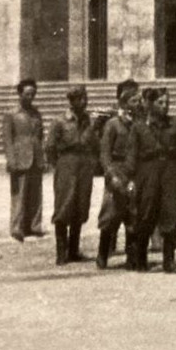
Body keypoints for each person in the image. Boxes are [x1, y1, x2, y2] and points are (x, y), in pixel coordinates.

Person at [125, 86, 176, 272]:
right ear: (151, 104)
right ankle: (141, 259)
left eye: (167, 103)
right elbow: (131, 154)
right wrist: (130, 179)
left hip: (169, 172)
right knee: (146, 212)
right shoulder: (139, 127)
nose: (165, 106)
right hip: (147, 172)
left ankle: (169, 259)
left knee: (171, 213)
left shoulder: (175, 126)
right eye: (161, 103)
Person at [46, 86, 98, 266]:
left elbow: (94, 143)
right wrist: (59, 165)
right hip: (66, 164)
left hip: (84, 164)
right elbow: (50, 146)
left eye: (85, 98)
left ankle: (74, 250)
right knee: (64, 205)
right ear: (72, 100)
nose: (84, 102)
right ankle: (61, 252)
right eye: (80, 98)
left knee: (81, 205)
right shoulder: (60, 121)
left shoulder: (88, 121)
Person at [96, 80, 140, 270]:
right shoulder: (113, 124)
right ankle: (103, 254)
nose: (137, 105)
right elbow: (105, 153)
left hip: (134, 172)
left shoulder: (139, 123)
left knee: (133, 215)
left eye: (138, 101)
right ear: (124, 103)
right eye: (133, 101)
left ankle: (132, 257)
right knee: (110, 215)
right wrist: (110, 174)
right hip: (117, 171)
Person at [2, 78, 45, 242]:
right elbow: (7, 139)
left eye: (33, 94)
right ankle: (17, 227)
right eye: (27, 94)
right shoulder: (11, 114)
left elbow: (40, 136)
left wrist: (42, 156)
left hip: (36, 157)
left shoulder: (36, 114)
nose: (30, 97)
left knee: (36, 194)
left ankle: (34, 226)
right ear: (20, 94)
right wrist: (11, 160)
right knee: (18, 195)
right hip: (20, 158)